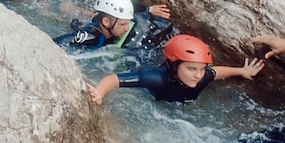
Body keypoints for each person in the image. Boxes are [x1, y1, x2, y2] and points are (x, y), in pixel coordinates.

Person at [88, 34, 265, 105]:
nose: (198, 75)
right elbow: (114, 79)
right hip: (151, 93)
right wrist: (100, 93)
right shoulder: (157, 78)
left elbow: (216, 72)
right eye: (191, 68)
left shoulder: (202, 76)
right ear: (173, 65)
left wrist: (241, 71)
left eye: (202, 68)